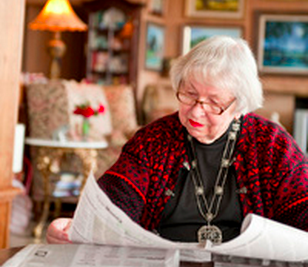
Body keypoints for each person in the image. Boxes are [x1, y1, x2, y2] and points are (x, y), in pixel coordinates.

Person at [47, 36, 308, 245]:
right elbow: (114, 204)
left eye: (213, 103)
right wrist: (75, 228)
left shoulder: (273, 146)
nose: (195, 111)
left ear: (240, 105)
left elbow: (302, 210)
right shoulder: (152, 141)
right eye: (189, 95)